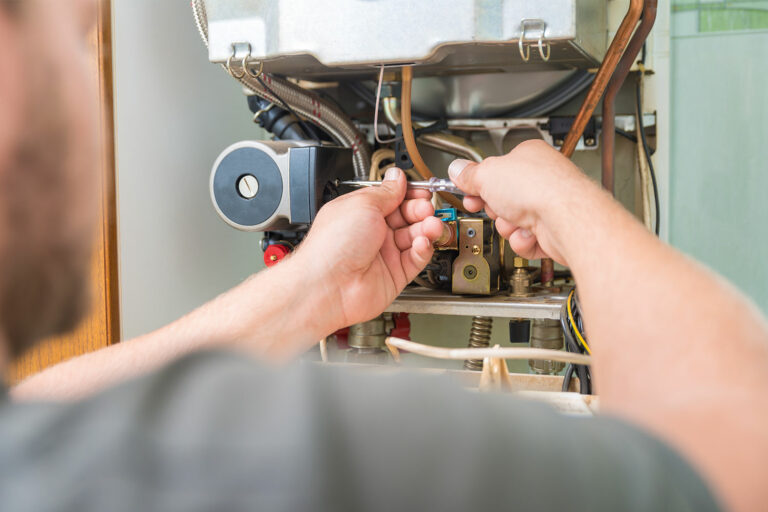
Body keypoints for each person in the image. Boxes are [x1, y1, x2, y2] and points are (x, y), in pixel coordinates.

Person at [1, 1, 766, 511]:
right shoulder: (310, 450)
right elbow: (739, 463)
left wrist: (315, 288)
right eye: (76, 41)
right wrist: (573, 209)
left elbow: (50, 413)